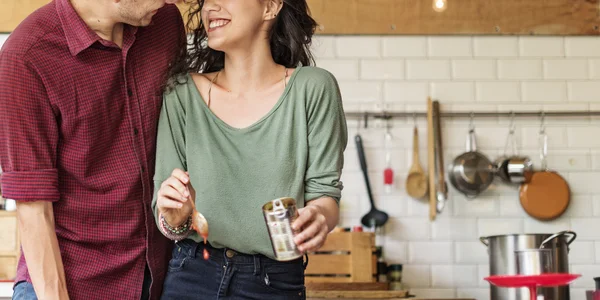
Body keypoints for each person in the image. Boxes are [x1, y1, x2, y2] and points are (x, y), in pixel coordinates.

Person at [152, 0, 348, 299]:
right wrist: (175, 218)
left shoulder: (313, 88)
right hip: (192, 273)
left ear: (270, 7)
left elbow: (325, 195)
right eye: (205, 1)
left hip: (274, 281)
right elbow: (167, 219)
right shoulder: (181, 94)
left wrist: (320, 216)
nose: (209, 8)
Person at [0, 0, 185, 299]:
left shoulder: (164, 23)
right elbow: (34, 209)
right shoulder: (26, 56)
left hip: (155, 280)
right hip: (68, 283)